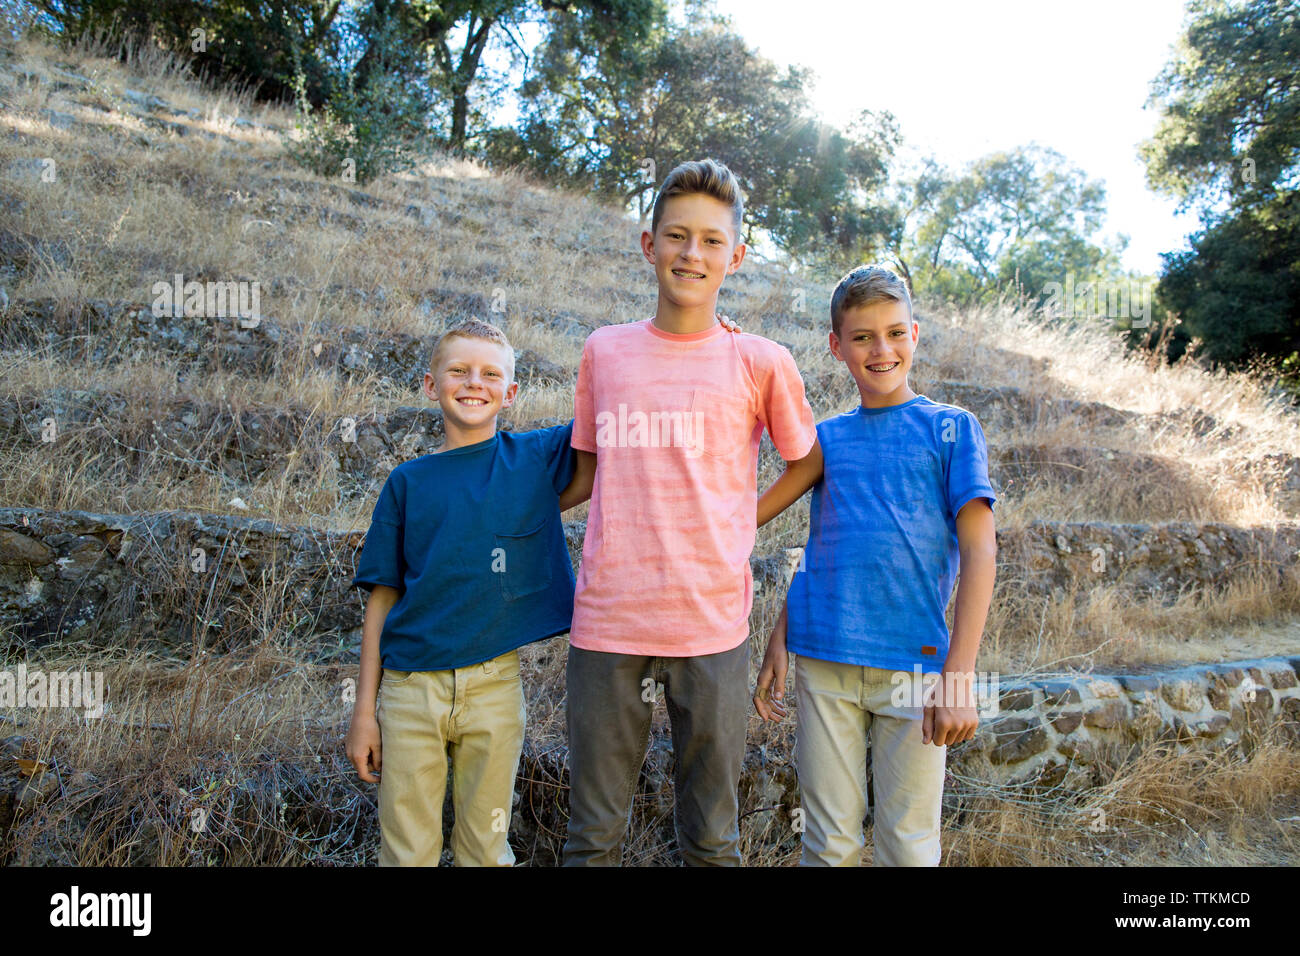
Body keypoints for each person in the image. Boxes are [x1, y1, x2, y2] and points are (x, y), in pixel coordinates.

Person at [561, 158, 821, 866]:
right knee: (592, 837)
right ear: (649, 244)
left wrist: (743, 518)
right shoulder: (604, 350)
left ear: (734, 257)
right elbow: (585, 471)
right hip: (608, 622)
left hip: (710, 626)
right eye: (677, 236)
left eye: (711, 241)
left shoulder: (761, 361)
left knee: (712, 838)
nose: (692, 253)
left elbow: (808, 460)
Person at [753, 264, 998, 866]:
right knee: (828, 842)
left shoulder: (951, 429)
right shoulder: (825, 440)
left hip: (913, 669)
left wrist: (959, 676)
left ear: (914, 334)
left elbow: (980, 550)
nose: (880, 349)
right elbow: (812, 543)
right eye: (862, 336)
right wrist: (779, 638)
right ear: (837, 346)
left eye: (893, 333)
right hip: (823, 660)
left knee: (908, 846)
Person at [345, 317, 584, 866]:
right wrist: (365, 711)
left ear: (511, 391)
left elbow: (610, 421)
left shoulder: (534, 459)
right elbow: (382, 597)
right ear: (432, 385)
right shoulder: (408, 482)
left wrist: (707, 336)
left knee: (485, 847)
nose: (474, 382)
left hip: (494, 686)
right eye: (459, 370)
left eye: (490, 373)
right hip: (410, 692)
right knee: (407, 852)